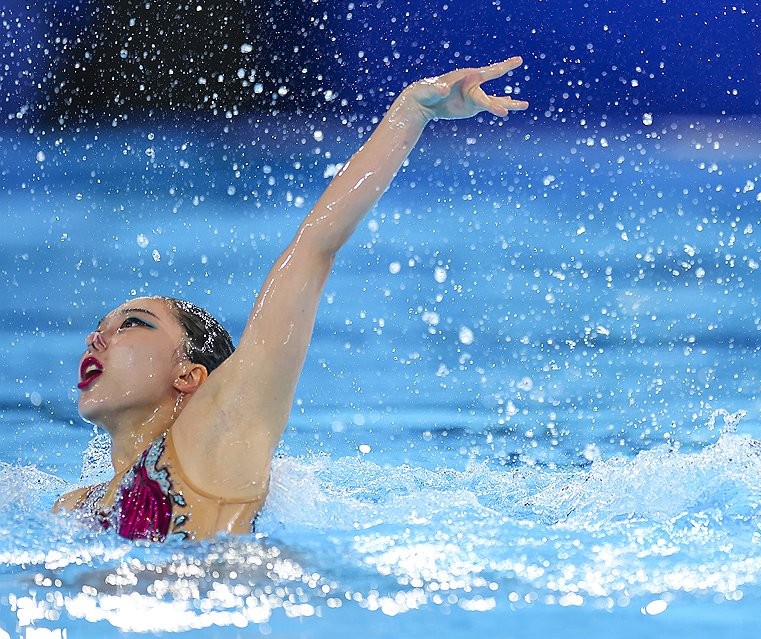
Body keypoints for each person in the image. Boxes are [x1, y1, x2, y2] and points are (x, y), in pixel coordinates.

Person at [54, 58, 529, 539]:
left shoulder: (218, 432)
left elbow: (313, 249)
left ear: (190, 375)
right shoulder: (76, 505)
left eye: (133, 323)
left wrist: (411, 111)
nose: (97, 337)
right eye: (104, 326)